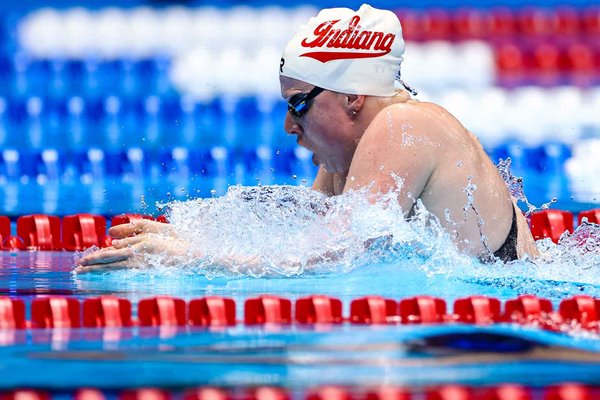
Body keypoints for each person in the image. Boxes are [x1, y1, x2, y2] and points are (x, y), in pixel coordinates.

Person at [76, 4, 538, 273]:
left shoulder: (404, 127)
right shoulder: (352, 159)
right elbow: (303, 237)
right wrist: (182, 235)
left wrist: (191, 258)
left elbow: (329, 256)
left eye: (298, 104)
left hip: (489, 333)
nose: (289, 127)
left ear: (354, 96)